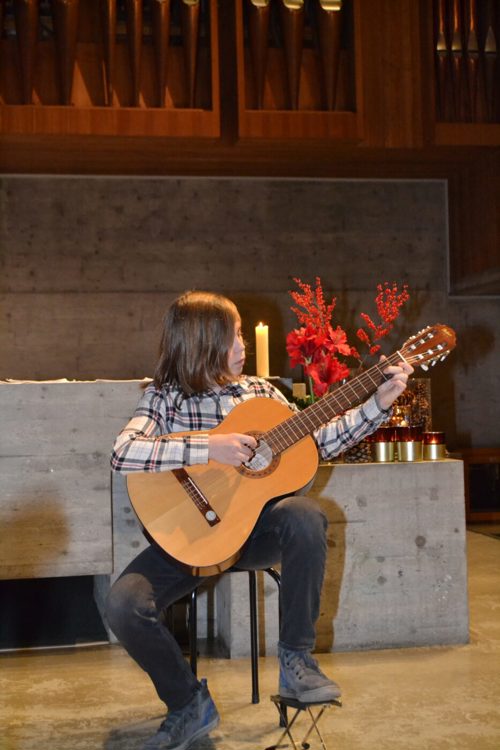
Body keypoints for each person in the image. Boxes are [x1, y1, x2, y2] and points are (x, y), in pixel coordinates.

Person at [107, 290, 413, 750]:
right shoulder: (165, 398)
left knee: (305, 515)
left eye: (242, 335)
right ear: (202, 343)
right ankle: (188, 703)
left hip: (258, 534)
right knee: (123, 605)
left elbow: (317, 445)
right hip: (190, 540)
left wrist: (377, 404)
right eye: (232, 337)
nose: (242, 345)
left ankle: (297, 663)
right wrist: (212, 447)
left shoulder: (261, 393)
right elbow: (123, 453)